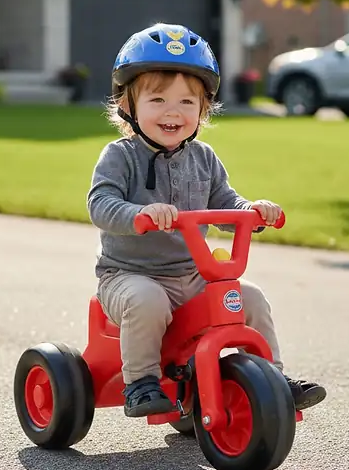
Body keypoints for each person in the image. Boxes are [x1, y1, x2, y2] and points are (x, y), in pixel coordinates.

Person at [87, 23, 326, 418]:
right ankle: (142, 382)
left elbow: (225, 203)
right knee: (147, 301)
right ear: (127, 106)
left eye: (186, 102)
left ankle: (273, 378)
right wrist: (140, 215)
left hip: (193, 276)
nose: (172, 111)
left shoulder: (204, 158)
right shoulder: (120, 156)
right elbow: (101, 203)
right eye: (158, 99)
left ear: (203, 109)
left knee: (248, 297)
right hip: (129, 276)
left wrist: (251, 211)